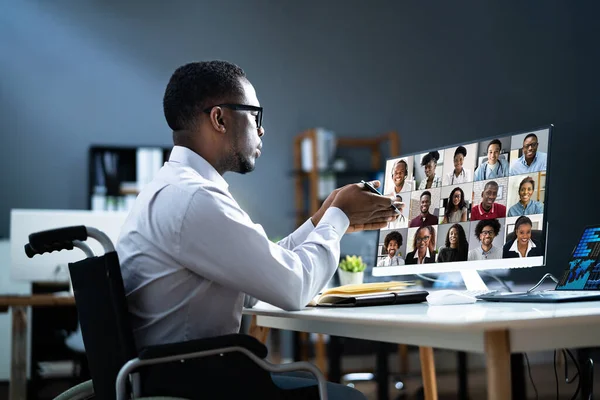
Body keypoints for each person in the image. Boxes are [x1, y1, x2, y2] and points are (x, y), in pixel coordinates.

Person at [116, 61, 399, 399]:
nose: (261, 130)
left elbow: (264, 276)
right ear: (219, 119)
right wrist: (338, 216)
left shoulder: (176, 189)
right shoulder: (194, 199)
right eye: (254, 115)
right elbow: (294, 287)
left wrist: (322, 217)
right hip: (195, 384)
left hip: (175, 376)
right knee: (350, 398)